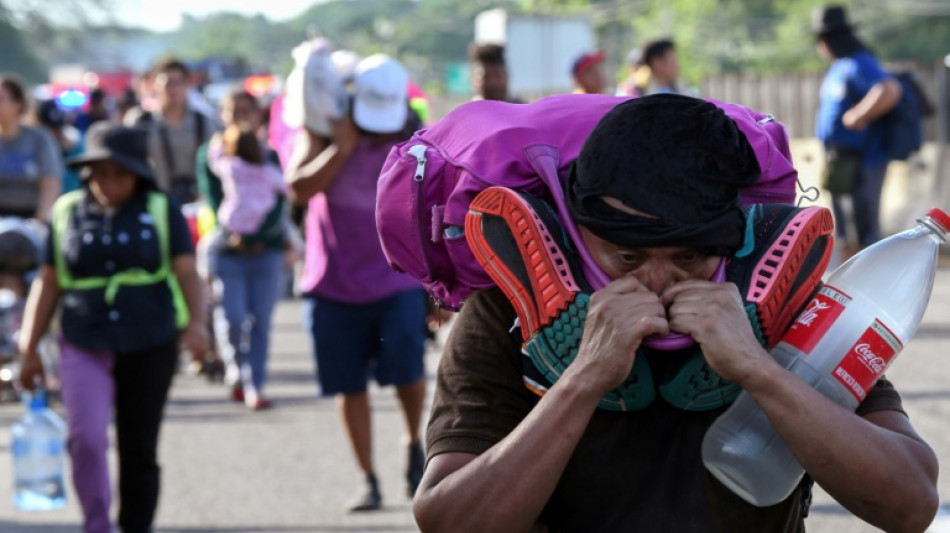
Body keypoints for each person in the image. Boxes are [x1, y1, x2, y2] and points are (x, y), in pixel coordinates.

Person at [412, 95, 938, 532]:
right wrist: (583, 379)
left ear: (732, 245)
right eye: (627, 258)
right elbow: (449, 520)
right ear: (577, 235)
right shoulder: (512, 306)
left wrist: (760, 370)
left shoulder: (791, 306)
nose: (658, 284)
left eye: (689, 259)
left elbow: (910, 504)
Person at [17, 122, 208, 533]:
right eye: (99, 173)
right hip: (83, 338)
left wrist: (198, 325)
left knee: (138, 447)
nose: (109, 183)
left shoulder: (160, 208)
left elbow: (187, 273)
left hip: (150, 339)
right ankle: (97, 525)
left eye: (119, 173)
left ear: (138, 173)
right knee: (86, 440)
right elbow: (48, 282)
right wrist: (28, 349)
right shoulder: (67, 210)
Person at [286, 53, 428, 512]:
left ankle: (414, 445)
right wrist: (340, 148)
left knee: (408, 373)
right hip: (333, 283)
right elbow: (297, 188)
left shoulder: (411, 130)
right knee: (349, 386)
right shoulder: (326, 128)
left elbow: (427, 202)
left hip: (398, 280)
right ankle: (368, 477)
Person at [196, 89, 288, 409]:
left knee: (260, 320)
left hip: (266, 249)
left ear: (257, 114)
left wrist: (258, 235)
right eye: (233, 111)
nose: (240, 117)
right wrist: (235, 233)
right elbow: (214, 198)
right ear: (222, 115)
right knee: (233, 317)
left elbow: (280, 201)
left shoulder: (269, 156)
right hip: (227, 247)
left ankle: (255, 385)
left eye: (246, 111)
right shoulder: (213, 156)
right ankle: (235, 367)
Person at [813, 5, 902, 259]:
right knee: (845, 228)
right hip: (841, 158)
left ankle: (870, 284)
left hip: (862, 159)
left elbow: (890, 90)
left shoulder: (860, 62)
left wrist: (858, 116)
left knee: (862, 225)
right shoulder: (840, 66)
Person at [125, 59, 217, 204]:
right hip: (156, 202)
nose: (172, 89)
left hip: (198, 203)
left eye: (178, 82)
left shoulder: (203, 122)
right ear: (155, 85)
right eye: (167, 83)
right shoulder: (141, 121)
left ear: (187, 84)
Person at [0, 73, 62, 222]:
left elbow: (50, 184)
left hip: (29, 218)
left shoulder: (38, 139)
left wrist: (39, 221)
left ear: (18, 104)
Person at [35, 99, 84, 194]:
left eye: (58, 129)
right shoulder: (31, 148)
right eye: (50, 130)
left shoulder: (78, 145)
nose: (56, 135)